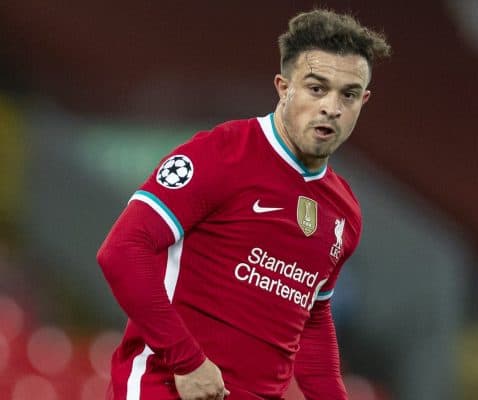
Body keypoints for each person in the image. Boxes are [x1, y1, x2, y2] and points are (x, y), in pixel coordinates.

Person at [97, 8, 391, 400]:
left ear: (363, 101)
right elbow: (122, 251)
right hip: (168, 389)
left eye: (348, 94)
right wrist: (186, 361)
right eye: (316, 88)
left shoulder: (344, 211)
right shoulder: (221, 153)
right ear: (283, 87)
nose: (331, 108)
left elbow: (312, 318)